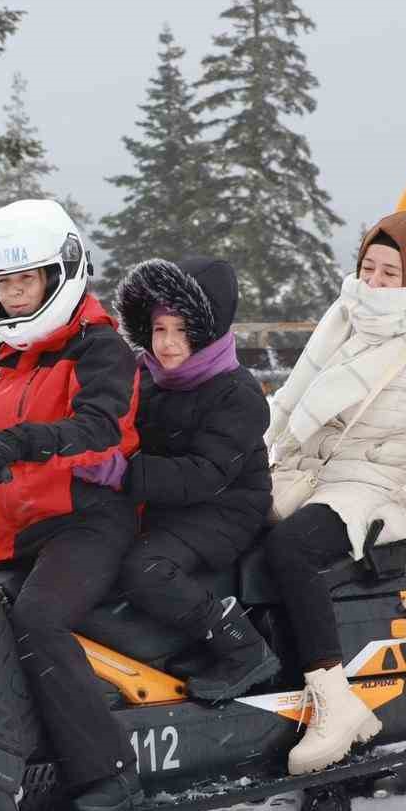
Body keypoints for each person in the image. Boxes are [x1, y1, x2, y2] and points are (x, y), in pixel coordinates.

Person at [263, 210, 406, 774]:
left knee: (289, 549)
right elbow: (292, 401)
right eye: (368, 266)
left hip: (375, 483)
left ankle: (334, 700)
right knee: (217, 522)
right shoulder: (347, 315)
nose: (373, 282)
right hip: (314, 470)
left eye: (389, 273)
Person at [0, 199, 145, 811]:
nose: (14, 296)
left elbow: (99, 428)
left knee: (39, 618)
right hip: (19, 524)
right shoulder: (3, 358)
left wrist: (16, 444)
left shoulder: (101, 351)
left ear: (61, 276)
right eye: (2, 285)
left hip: (89, 521)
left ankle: (108, 771)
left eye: (25, 281)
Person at [91, 256, 274, 702]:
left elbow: (205, 474)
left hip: (225, 506)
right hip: (163, 498)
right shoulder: (148, 377)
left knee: (145, 568)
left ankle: (241, 646)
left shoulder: (237, 394)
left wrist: (124, 472)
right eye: (159, 330)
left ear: (207, 332)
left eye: (182, 330)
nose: (169, 344)